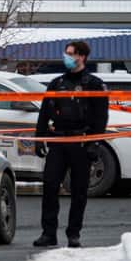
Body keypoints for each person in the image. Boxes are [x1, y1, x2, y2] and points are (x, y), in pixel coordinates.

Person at [32, 40, 109, 248]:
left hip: (81, 142)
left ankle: (73, 234)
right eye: (66, 53)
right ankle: (48, 233)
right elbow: (44, 113)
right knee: (50, 186)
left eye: (71, 53)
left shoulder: (94, 84)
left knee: (79, 190)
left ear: (81, 56)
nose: (66, 57)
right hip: (58, 141)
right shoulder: (57, 83)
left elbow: (101, 117)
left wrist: (95, 142)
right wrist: (39, 137)